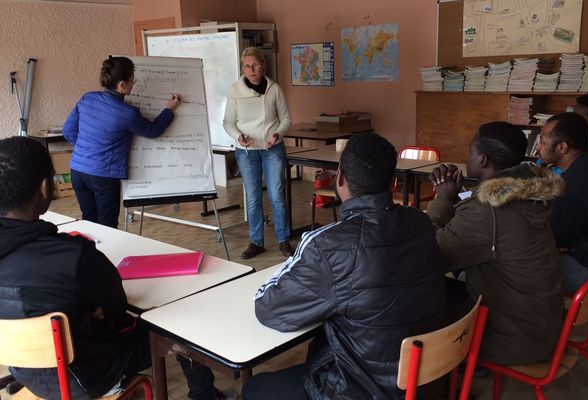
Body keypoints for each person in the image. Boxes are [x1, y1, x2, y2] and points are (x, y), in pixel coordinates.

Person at [0, 137, 234, 400]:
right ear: (45, 187)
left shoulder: (64, 257)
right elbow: (115, 306)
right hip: (86, 378)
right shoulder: (73, 255)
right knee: (181, 325)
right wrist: (93, 311)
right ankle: (205, 396)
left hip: (25, 370)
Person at [242, 133, 448, 399]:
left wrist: (299, 254)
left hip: (361, 389)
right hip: (424, 381)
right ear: (393, 181)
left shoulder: (327, 246)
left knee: (255, 389)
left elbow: (268, 308)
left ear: (339, 178)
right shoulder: (420, 222)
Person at [426, 121, 565, 366]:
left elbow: (430, 254)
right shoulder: (526, 189)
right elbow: (479, 205)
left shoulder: (486, 212)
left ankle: (456, 369)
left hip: (512, 339)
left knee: (414, 299)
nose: (467, 158)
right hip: (541, 324)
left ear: (482, 160)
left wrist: (441, 201)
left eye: (470, 152)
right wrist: (458, 195)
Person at [63, 56, 181, 228]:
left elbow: (68, 131)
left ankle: (91, 254)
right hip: (103, 176)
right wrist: (169, 109)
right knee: (108, 226)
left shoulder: (87, 98)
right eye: (132, 80)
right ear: (122, 85)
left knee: (88, 220)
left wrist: (86, 149)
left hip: (78, 171)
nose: (134, 84)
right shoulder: (128, 113)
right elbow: (153, 131)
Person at [223, 47, 293, 259]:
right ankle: (256, 242)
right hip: (246, 151)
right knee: (253, 198)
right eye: (247, 66)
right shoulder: (235, 90)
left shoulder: (274, 89)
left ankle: (284, 240)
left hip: (272, 149)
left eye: (254, 65)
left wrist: (277, 135)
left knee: (277, 196)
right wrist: (238, 136)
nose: (251, 70)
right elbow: (228, 122)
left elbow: (286, 119)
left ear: (262, 65)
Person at [536, 112, 588, 294]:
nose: (538, 147)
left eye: (542, 141)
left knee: (517, 266)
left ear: (562, 147)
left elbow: (553, 237)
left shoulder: (576, 181)